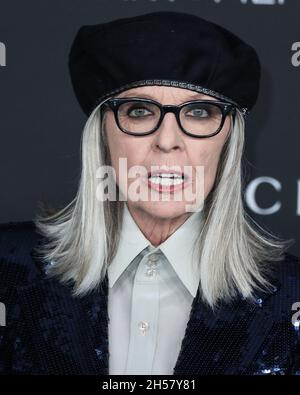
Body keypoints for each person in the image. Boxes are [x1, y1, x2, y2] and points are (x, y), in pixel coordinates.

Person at [0, 10, 300, 375]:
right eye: (140, 111)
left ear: (229, 139)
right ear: (102, 134)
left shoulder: (290, 301)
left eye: (199, 112)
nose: (167, 141)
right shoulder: (10, 274)